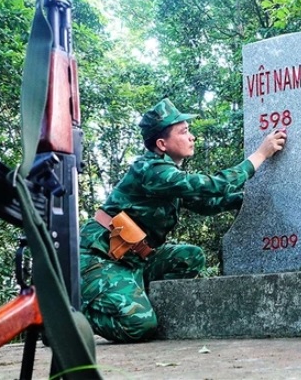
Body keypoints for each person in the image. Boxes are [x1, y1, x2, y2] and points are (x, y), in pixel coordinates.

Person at [79, 99, 287, 342]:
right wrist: (261, 154)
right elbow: (214, 185)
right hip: (101, 259)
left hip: (134, 258)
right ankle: (67, 315)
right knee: (138, 325)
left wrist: (246, 199)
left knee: (190, 257)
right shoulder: (152, 171)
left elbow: (207, 203)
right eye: (184, 131)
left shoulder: (168, 175)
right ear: (162, 144)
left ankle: (135, 298)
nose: (192, 137)